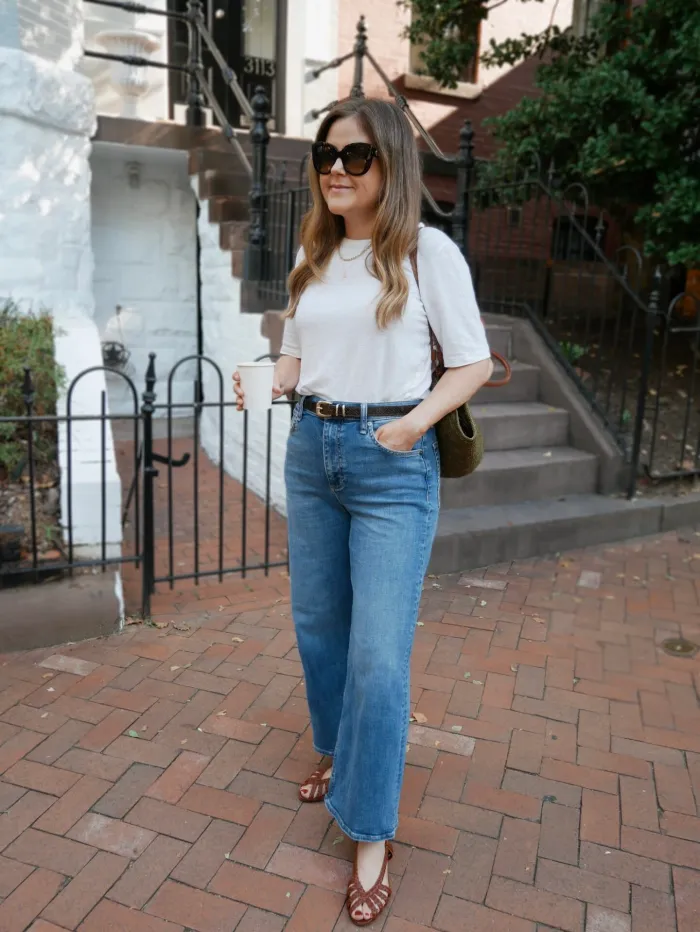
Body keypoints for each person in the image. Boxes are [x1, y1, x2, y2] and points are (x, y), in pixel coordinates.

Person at [234, 97, 493, 926]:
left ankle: (371, 831)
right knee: (319, 626)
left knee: (378, 657)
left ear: (391, 164)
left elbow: (474, 364)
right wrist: (268, 378)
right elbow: (295, 357)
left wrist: (413, 425)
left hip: (391, 460)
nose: (336, 170)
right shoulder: (312, 254)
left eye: (356, 156)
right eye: (326, 156)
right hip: (312, 450)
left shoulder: (427, 253)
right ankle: (335, 752)